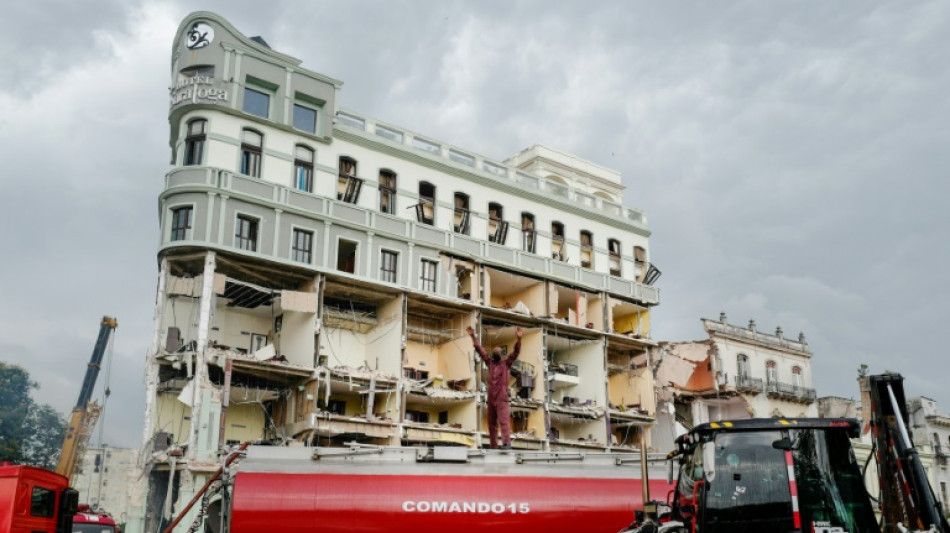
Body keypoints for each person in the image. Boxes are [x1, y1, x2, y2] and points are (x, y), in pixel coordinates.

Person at [467, 326, 522, 449]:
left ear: (501, 355)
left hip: (502, 397)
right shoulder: (490, 363)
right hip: (491, 397)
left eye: (498, 351)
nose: (495, 352)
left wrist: (519, 339)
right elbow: (480, 350)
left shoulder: (506, 363)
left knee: (503, 421)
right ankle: (493, 446)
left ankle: (507, 443)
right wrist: (472, 336)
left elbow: (516, 352)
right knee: (491, 423)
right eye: (494, 351)